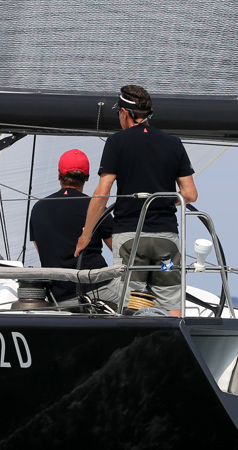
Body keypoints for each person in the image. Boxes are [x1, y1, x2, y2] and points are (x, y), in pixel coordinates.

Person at [75, 85, 196, 316]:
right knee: (171, 303)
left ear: (124, 113)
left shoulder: (117, 142)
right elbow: (190, 194)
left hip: (131, 239)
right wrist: (161, 201)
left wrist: (86, 235)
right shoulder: (173, 143)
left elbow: (102, 193)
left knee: (132, 303)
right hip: (166, 240)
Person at [29, 149, 119, 305]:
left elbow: (43, 250)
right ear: (87, 178)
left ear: (59, 175)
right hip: (98, 291)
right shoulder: (95, 207)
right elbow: (119, 250)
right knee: (143, 296)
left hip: (59, 299)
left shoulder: (37, 208)